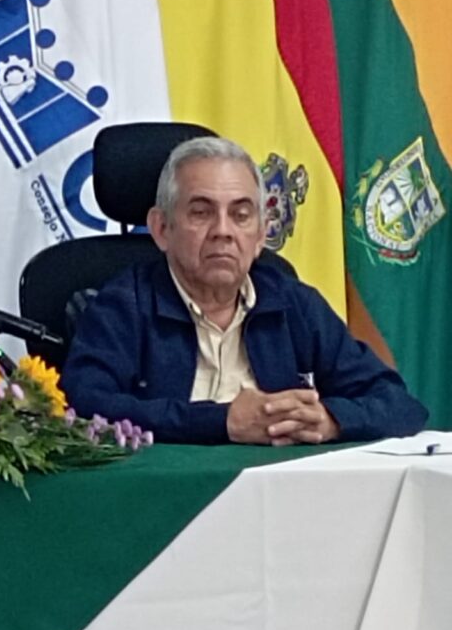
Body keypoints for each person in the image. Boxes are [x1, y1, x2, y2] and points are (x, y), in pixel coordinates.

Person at [61, 136, 428, 445]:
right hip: (164, 498)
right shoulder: (122, 305)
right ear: (161, 229)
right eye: (201, 213)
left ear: (260, 236)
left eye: (240, 215)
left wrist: (331, 420)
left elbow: (399, 405)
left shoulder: (294, 304)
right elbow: (83, 407)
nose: (223, 231)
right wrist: (222, 422)